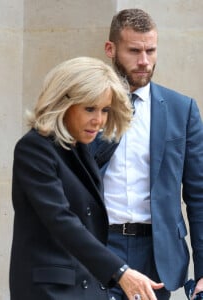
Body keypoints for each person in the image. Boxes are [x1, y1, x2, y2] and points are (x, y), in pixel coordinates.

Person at [9, 56, 164, 300]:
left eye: (105, 110)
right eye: (89, 108)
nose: (99, 120)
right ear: (62, 103)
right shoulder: (34, 149)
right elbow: (61, 220)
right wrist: (120, 271)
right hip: (51, 289)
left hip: (87, 287)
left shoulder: (80, 148)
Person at [89, 8, 203, 300]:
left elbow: (198, 194)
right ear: (110, 49)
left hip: (157, 253)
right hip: (98, 246)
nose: (144, 61)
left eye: (150, 50)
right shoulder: (86, 108)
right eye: (134, 51)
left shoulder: (182, 109)